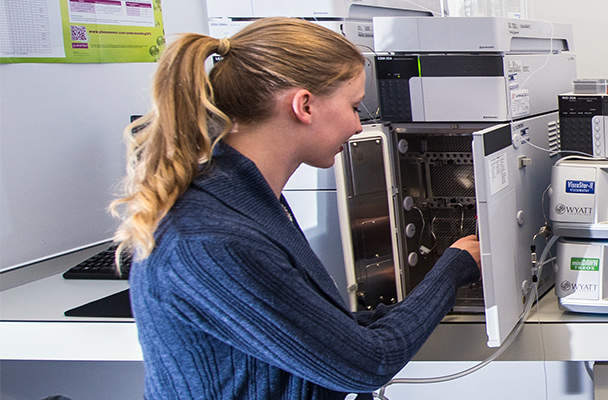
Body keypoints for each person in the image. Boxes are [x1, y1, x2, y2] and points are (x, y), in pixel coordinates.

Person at [109, 18, 481, 399]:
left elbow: (314, 330)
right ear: (304, 105)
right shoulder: (209, 239)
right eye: (354, 106)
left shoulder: (250, 201)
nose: (358, 126)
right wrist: (452, 269)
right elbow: (367, 365)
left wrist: (392, 316)